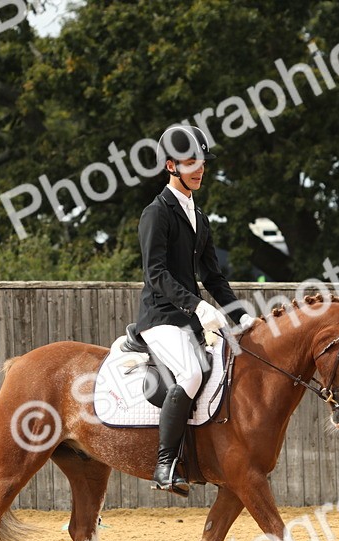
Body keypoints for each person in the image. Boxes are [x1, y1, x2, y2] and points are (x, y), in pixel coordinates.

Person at [135, 124, 255, 496]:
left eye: (201, 162)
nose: (199, 169)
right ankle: (165, 465)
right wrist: (198, 306)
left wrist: (242, 316)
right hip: (160, 317)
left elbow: (214, 277)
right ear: (170, 166)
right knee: (189, 374)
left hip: (190, 318)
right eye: (190, 163)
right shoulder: (157, 213)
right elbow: (156, 274)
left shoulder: (199, 217)